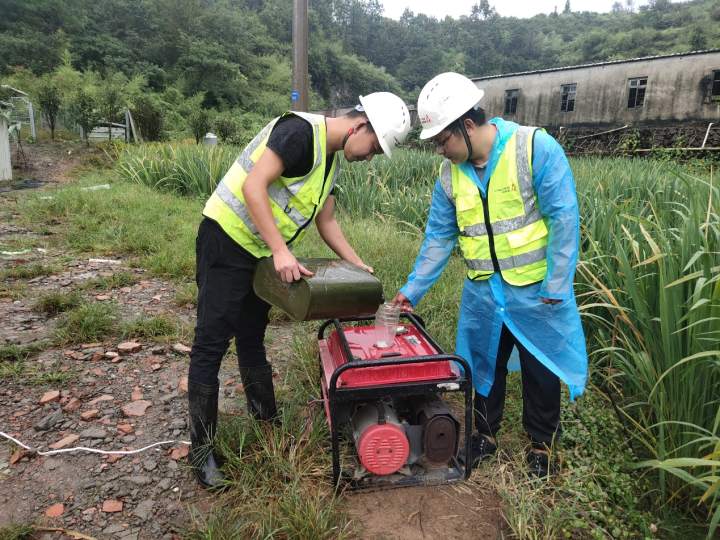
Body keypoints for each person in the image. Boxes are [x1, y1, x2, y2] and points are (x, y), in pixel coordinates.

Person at [189, 93, 411, 489]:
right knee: (211, 342)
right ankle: (201, 453)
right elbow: (254, 186)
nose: (371, 156)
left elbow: (327, 222)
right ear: (359, 126)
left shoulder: (330, 161)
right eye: (374, 147)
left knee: (252, 334)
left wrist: (355, 262)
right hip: (226, 240)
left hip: (257, 251)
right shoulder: (298, 133)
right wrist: (280, 250)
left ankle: (266, 420)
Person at [393, 72, 587, 478]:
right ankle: (485, 434)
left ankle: (542, 444)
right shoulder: (450, 177)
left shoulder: (533, 148)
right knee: (481, 364)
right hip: (483, 292)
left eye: (443, 140)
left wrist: (556, 283)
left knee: (541, 366)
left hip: (536, 290)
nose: (441, 151)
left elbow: (564, 219)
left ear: (467, 125)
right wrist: (412, 290)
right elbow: (437, 239)